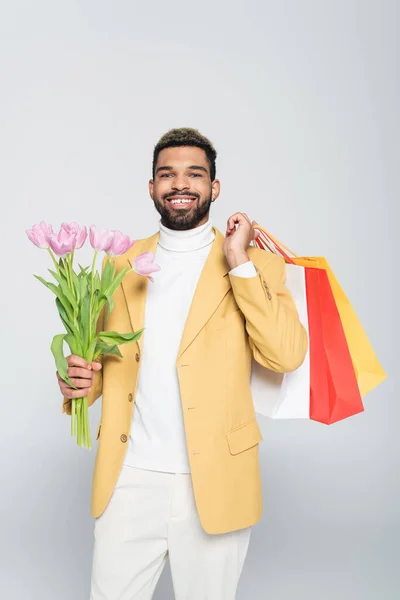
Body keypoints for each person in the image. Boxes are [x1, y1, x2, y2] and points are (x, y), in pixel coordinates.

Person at [57, 128, 308, 600]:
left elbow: (286, 354)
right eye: (166, 174)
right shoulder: (118, 265)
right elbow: (97, 370)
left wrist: (238, 263)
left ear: (214, 188)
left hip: (215, 478)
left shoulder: (257, 266)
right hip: (128, 477)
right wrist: (75, 381)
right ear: (151, 187)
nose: (180, 184)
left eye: (195, 174)